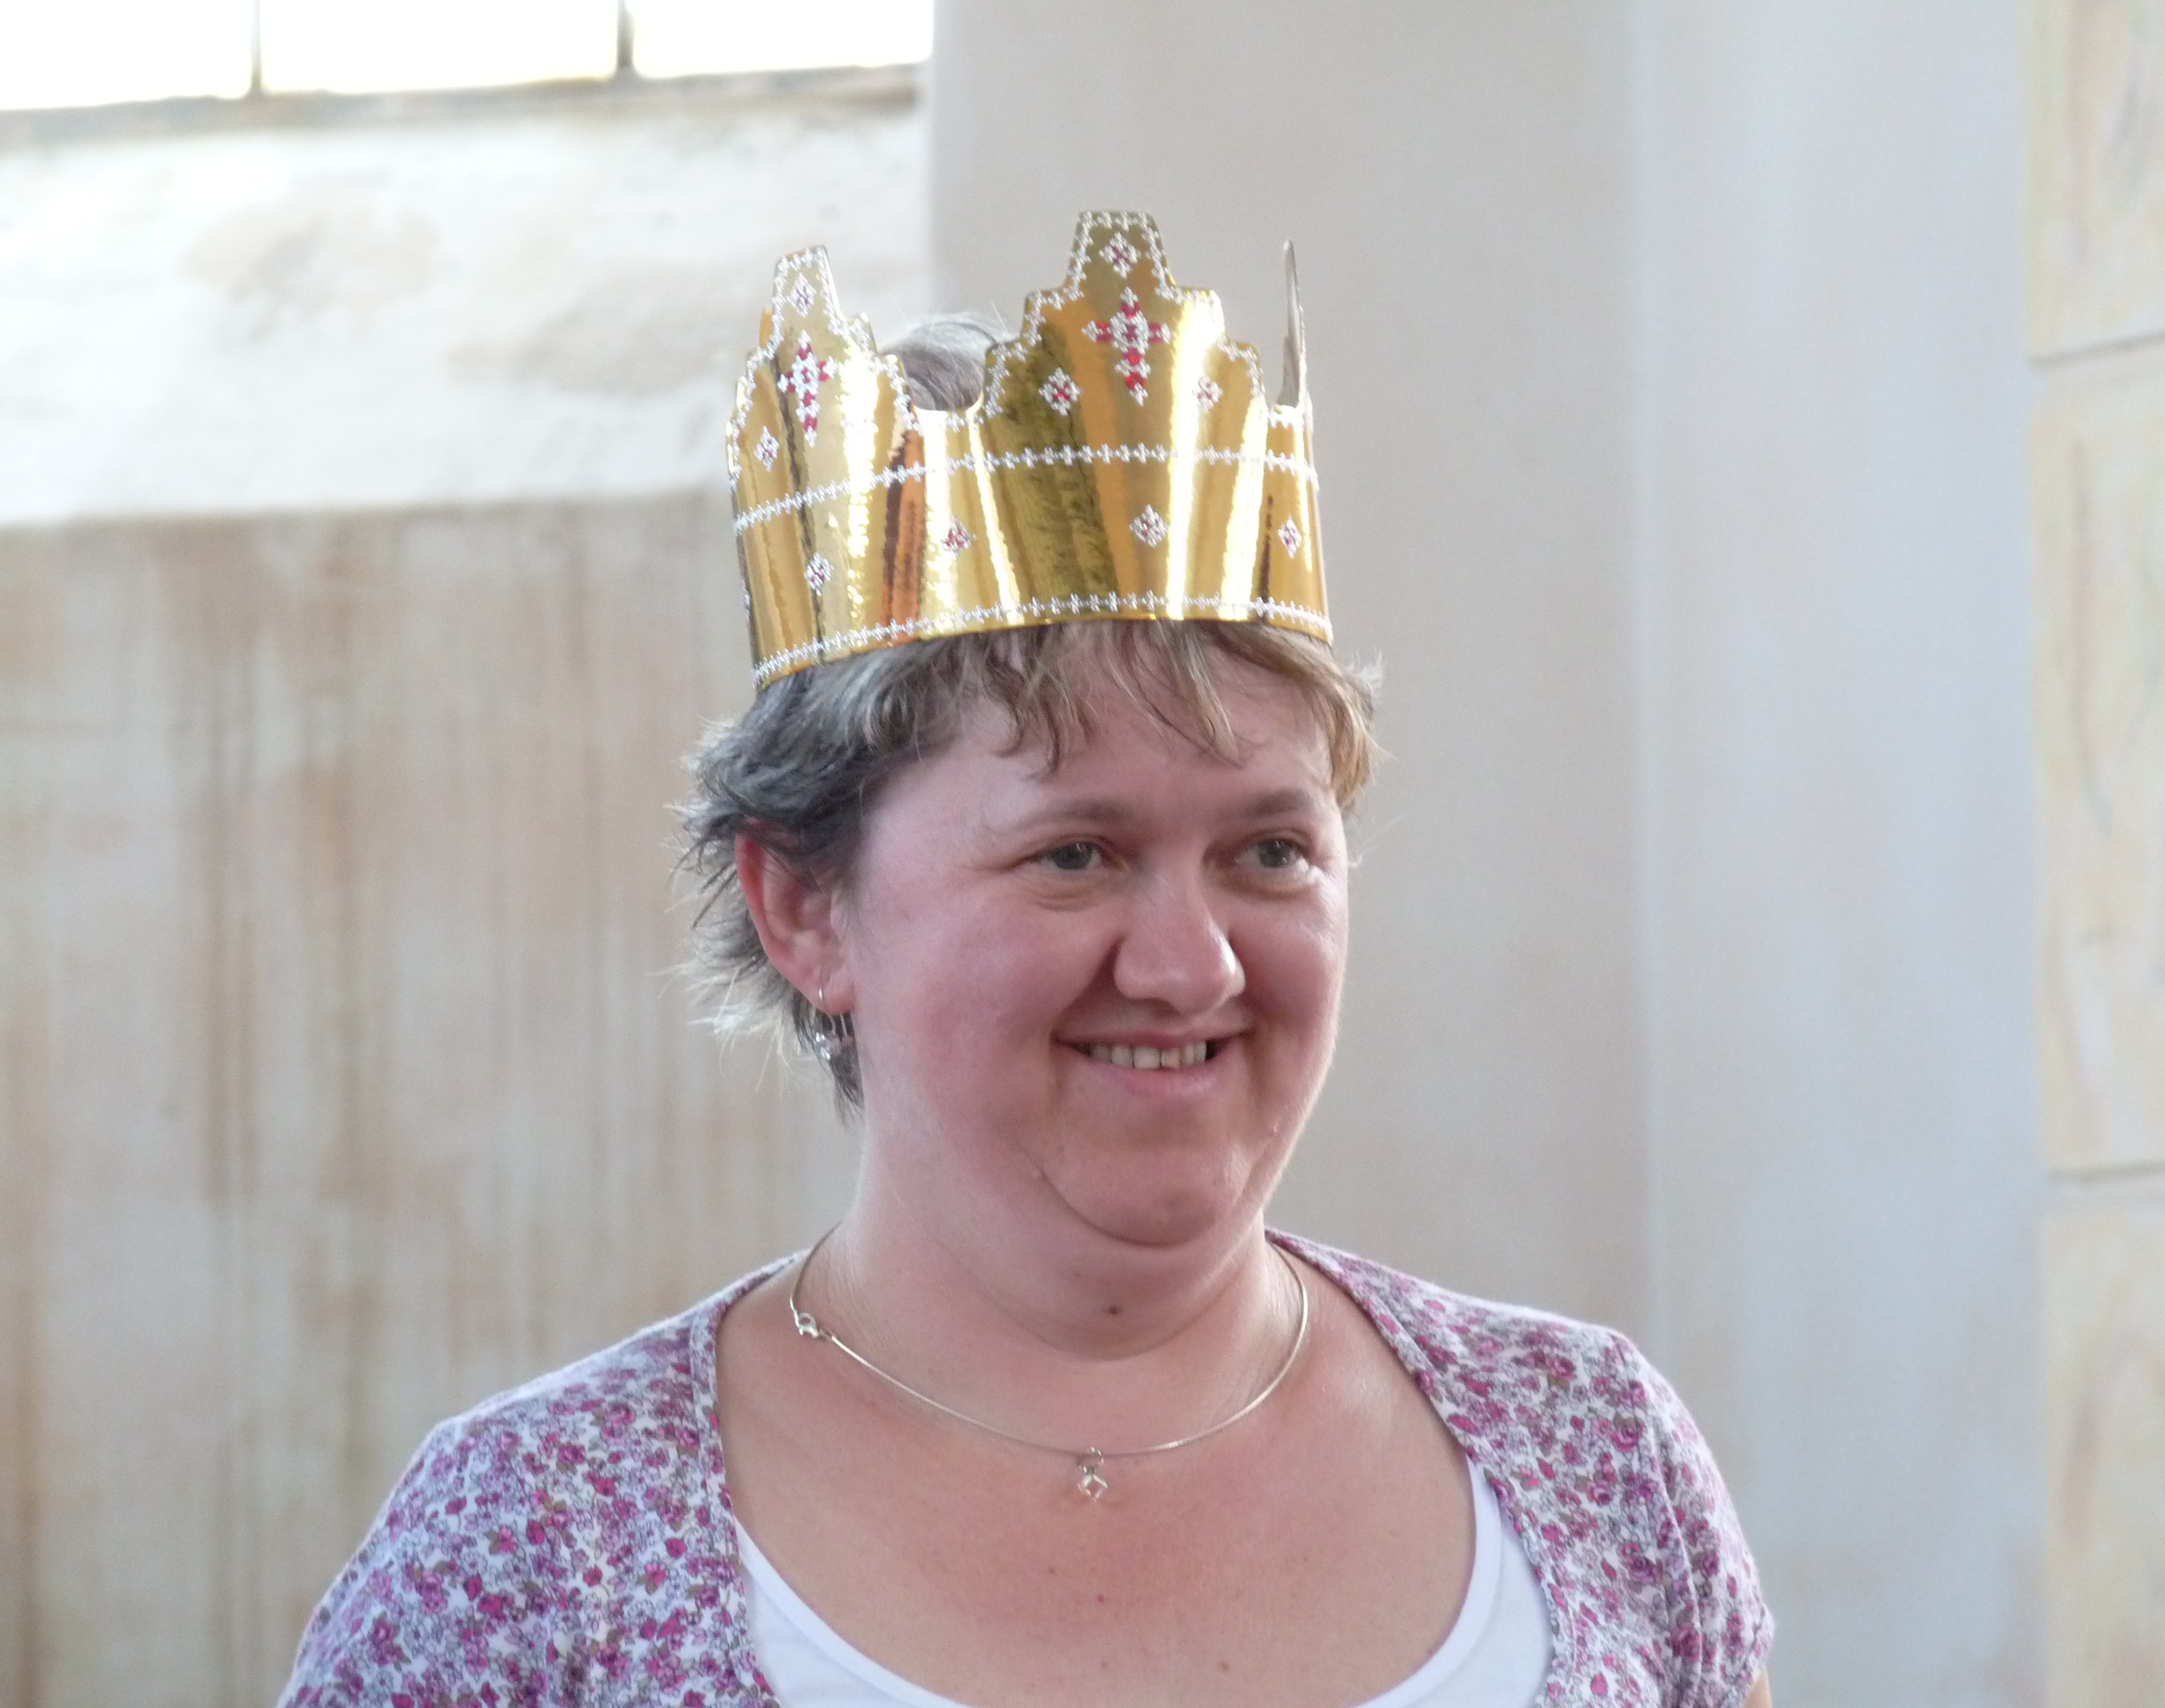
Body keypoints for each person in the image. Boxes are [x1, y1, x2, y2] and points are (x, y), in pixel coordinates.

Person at [280, 212, 1774, 1708]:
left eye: (1269, 851)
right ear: (805, 907)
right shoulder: (540, 1557)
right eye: (1076, 855)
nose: (1191, 967)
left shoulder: (1596, 1463)